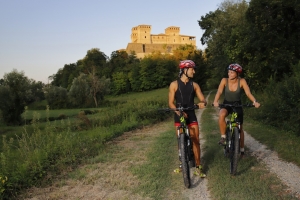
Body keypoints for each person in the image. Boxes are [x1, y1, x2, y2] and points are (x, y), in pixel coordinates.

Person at [168, 60, 207, 177]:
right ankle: (182, 164)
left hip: (191, 114)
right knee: (180, 140)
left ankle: (198, 167)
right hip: (179, 114)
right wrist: (178, 111)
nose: (194, 72)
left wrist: (202, 103)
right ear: (184, 70)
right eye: (192, 69)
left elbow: (203, 99)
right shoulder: (174, 84)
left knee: (195, 140)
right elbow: (170, 103)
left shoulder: (194, 85)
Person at [212, 63, 260, 158]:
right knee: (221, 115)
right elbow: (219, 91)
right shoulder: (224, 80)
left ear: (237, 74)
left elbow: (248, 93)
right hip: (227, 103)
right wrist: (215, 101)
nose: (229, 74)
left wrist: (255, 101)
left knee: (240, 128)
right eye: (229, 72)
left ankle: (242, 151)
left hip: (237, 104)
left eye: (232, 72)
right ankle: (223, 137)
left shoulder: (242, 81)